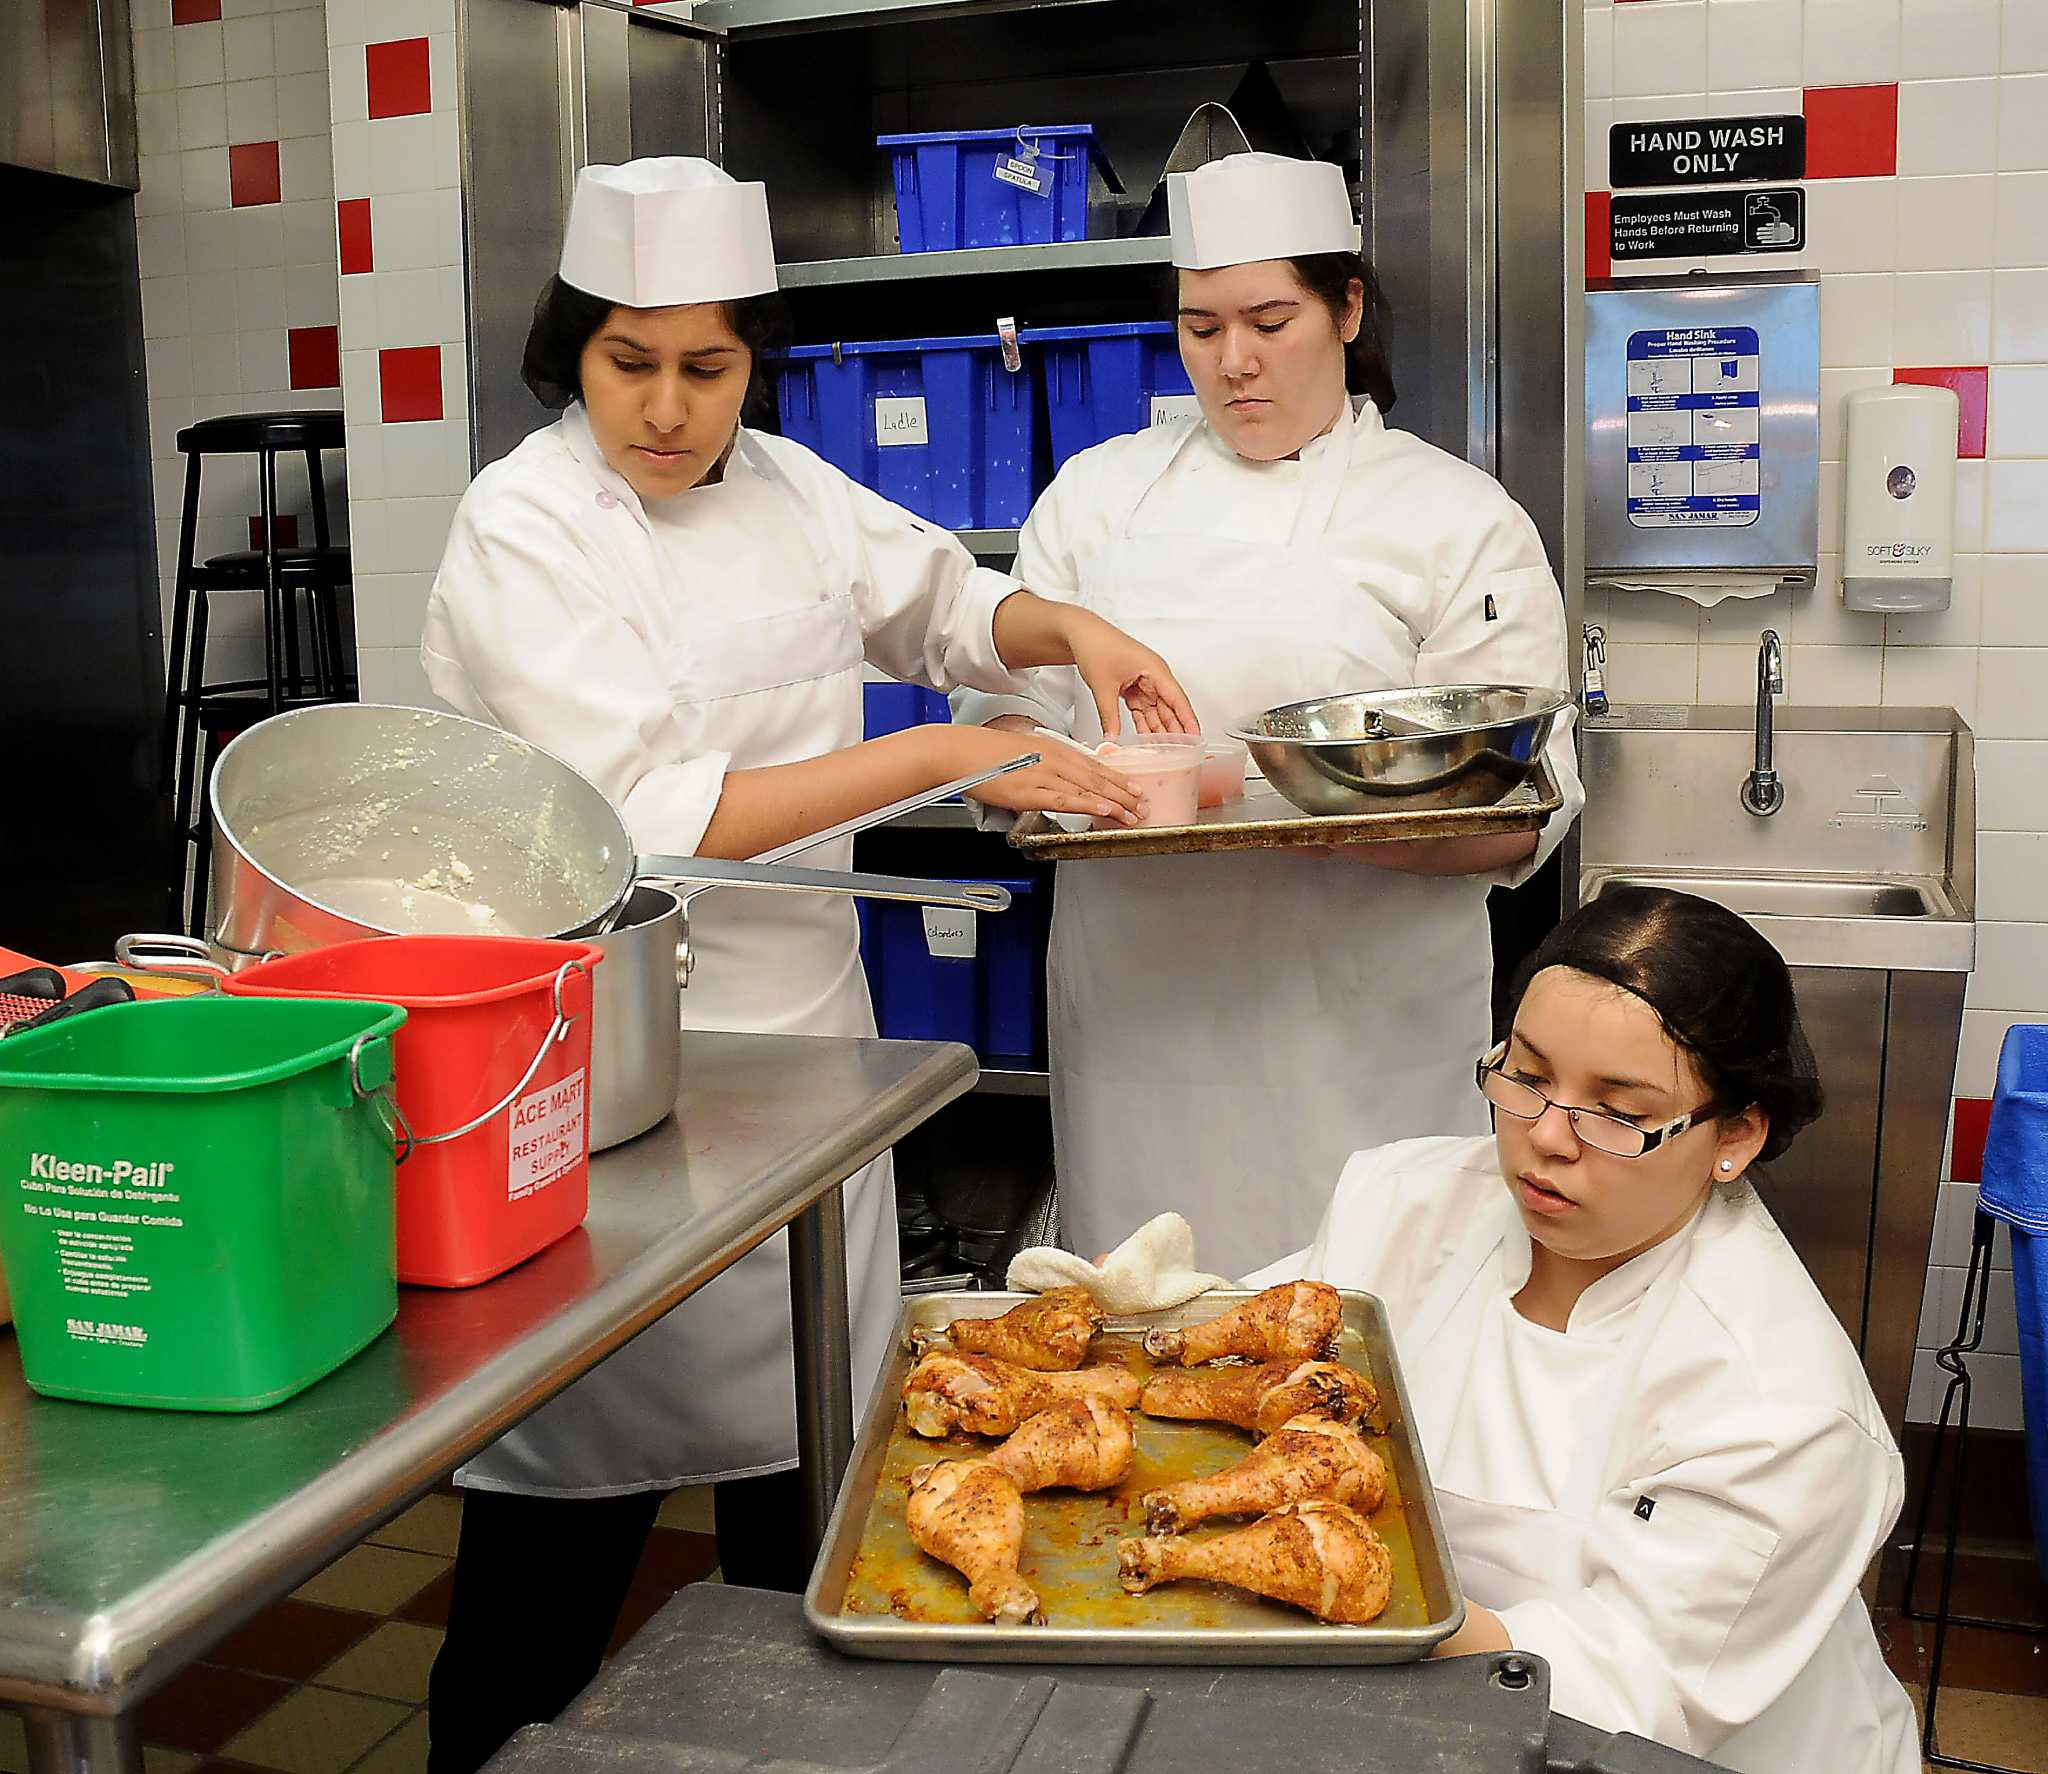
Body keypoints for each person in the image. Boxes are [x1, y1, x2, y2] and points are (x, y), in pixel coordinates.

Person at [417, 157, 1192, 1774]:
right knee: (549, 1567)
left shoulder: (782, 486)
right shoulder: (524, 524)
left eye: (708, 365)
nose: (670, 406)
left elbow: (946, 601)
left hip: (804, 1096)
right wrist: (949, 755)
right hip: (601, 1086)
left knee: (810, 1538)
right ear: (574, 349)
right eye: (631, 362)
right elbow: (643, 819)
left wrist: (1073, 635)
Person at [953, 151, 1583, 1271]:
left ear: (1345, 308)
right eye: (1198, 328)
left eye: (1268, 319)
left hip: (1364, 1038)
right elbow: (1000, 714)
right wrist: (1005, 763)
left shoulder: (1455, 518)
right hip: (1141, 1030)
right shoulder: (1099, 495)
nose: (1232, 362)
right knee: (1147, 1332)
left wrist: (1272, 806)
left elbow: (1513, 817)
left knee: (1363, 1334)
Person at [1245, 885, 1917, 1771]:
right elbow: (1265, 1359)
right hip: (1416, 1702)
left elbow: (1626, 1690)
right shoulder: (1409, 1202)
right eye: (1526, 1077)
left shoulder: (1780, 1405)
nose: (1547, 1140)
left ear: (1737, 1135)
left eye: (1619, 1113)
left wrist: (1333, 1583)